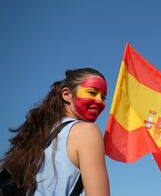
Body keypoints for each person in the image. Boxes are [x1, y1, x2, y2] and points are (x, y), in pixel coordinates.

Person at [1, 68, 110, 196]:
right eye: (92, 92)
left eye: (103, 97)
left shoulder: (39, 135)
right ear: (66, 94)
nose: (100, 101)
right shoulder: (86, 131)